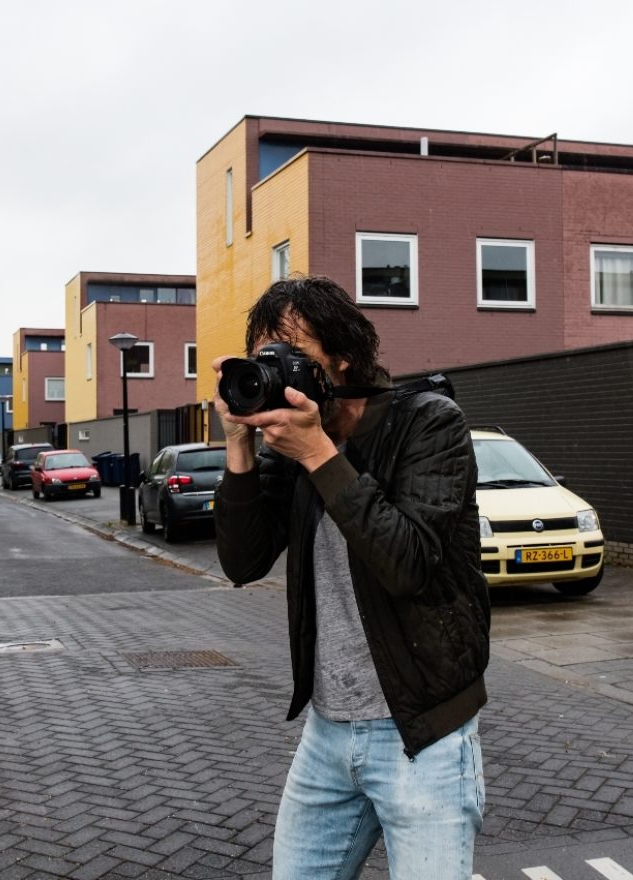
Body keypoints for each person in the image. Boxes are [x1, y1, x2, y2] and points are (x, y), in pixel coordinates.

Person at [212, 275, 490, 880]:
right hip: (327, 734)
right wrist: (239, 447)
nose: (279, 375)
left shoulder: (428, 425)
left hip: (423, 734)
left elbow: (408, 563)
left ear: (340, 361)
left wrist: (318, 453)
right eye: (266, 360)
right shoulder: (294, 442)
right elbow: (242, 563)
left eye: (294, 357)